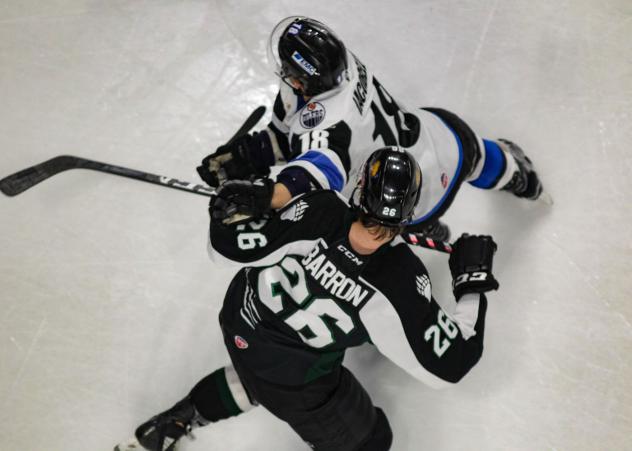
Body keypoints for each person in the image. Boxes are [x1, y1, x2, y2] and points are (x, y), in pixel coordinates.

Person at [116, 147, 499, 451]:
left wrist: (239, 205)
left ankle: (184, 416)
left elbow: (227, 249)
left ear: (360, 190)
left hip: (240, 326)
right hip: (298, 385)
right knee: (372, 441)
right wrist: (472, 282)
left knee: (260, 374)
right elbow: (450, 364)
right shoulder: (400, 279)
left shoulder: (321, 207)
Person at [197, 16, 549, 242]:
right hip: (437, 136)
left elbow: (316, 169)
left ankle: (429, 229)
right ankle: (521, 178)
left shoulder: (325, 120)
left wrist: (263, 197)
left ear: (303, 80)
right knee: (474, 154)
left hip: (409, 198)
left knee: (398, 223)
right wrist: (247, 155)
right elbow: (295, 136)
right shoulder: (339, 63)